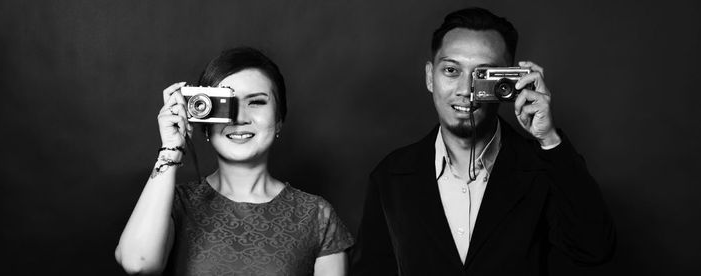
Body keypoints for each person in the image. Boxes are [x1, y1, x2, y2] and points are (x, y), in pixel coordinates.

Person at [349, 8, 616, 275]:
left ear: (509, 81)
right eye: (452, 70)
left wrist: (549, 139)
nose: (466, 90)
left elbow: (594, 249)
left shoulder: (543, 167)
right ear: (431, 77)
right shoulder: (390, 176)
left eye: (483, 75)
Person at [115, 47, 353, 276]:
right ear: (203, 121)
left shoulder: (316, 216)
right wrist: (171, 148)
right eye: (225, 104)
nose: (239, 118)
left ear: (279, 119)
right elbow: (138, 264)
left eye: (256, 102)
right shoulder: (174, 204)